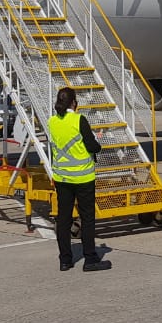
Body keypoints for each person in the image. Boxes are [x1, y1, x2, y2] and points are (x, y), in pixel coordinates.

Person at [48, 86, 111, 272]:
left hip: (62, 178)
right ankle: (90, 259)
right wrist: (97, 140)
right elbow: (92, 147)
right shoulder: (79, 120)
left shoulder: (52, 121)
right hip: (83, 177)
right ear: (74, 102)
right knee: (87, 218)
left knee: (64, 219)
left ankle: (65, 260)